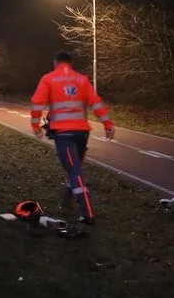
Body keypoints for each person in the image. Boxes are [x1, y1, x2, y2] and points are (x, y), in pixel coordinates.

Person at [29, 51, 115, 224]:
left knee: (74, 171)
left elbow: (37, 103)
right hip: (82, 133)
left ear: (55, 63)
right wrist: (108, 125)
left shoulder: (48, 78)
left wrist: (36, 126)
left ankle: (87, 213)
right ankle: (67, 199)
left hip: (63, 133)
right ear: (71, 63)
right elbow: (96, 103)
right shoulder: (82, 79)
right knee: (74, 167)